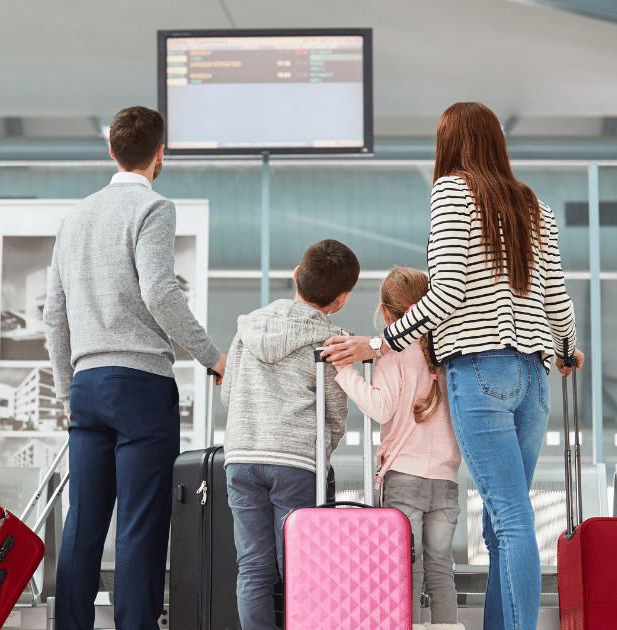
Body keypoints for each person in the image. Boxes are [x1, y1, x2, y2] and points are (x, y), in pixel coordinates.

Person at [323, 102, 585, 630]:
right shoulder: (536, 207)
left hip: (481, 370)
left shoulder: (452, 194)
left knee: (509, 517)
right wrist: (565, 348)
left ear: (450, 144)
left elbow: (446, 293)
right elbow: (556, 297)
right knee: (503, 517)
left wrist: (382, 343)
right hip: (534, 376)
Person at [43, 105, 227, 630]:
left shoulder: (74, 217)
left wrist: (66, 389)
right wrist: (213, 358)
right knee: (140, 527)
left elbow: (53, 313)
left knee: (83, 524)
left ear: (111, 151)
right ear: (159, 153)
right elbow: (161, 293)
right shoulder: (153, 208)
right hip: (141, 385)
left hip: (87, 386)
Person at [221, 239, 360, 630]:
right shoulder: (332, 340)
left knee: (252, 569)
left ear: (297, 275)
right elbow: (335, 412)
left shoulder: (249, 326)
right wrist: (320, 452)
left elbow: (229, 392)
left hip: (242, 458)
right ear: (343, 298)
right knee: (300, 569)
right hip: (296, 462)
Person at [333, 266, 463, 630]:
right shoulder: (449, 353)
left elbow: (381, 408)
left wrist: (346, 373)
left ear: (387, 314)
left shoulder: (393, 351)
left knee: (405, 566)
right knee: (440, 567)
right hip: (446, 480)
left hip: (404, 476)